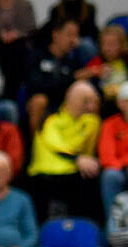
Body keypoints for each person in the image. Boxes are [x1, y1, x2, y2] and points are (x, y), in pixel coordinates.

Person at [26, 77, 102, 221]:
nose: (90, 106)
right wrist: (77, 158)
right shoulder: (52, 120)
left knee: (91, 176)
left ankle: (89, 230)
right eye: (85, 101)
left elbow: (86, 147)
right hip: (46, 171)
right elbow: (59, 146)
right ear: (71, 101)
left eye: (93, 101)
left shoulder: (91, 121)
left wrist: (81, 159)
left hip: (75, 170)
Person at [24, 17, 84, 132]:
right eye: (69, 34)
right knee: (39, 100)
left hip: (65, 105)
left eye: (76, 35)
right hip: (43, 103)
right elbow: (36, 85)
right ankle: (34, 146)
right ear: (55, 34)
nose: (73, 40)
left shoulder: (75, 61)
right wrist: (72, 78)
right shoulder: (37, 56)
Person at [98, 82, 128, 214]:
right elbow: (106, 157)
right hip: (118, 169)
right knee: (110, 176)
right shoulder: (110, 124)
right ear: (120, 104)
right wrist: (123, 163)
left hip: (122, 165)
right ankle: (113, 226)